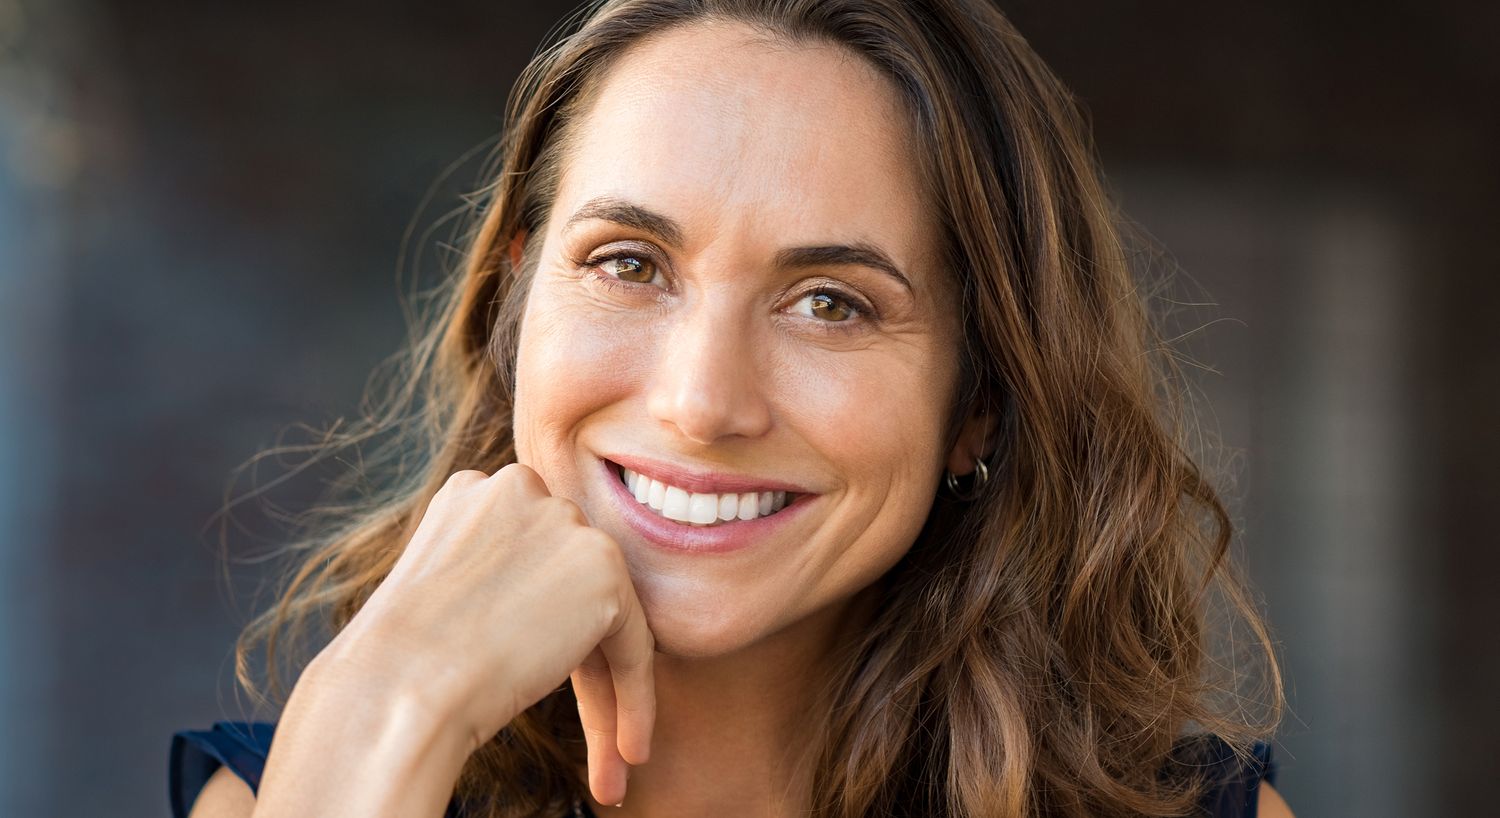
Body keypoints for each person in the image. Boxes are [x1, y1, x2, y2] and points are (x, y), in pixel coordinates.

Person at [170, 1, 1293, 816]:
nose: (702, 402)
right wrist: (389, 703)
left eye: (829, 303)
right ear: (518, 299)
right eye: (629, 262)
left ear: (979, 404)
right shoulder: (300, 789)